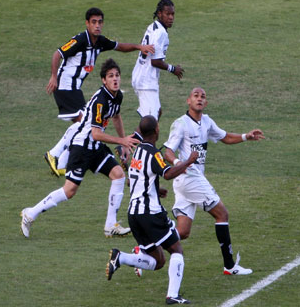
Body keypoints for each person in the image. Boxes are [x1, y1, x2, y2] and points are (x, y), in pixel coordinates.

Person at [21, 59, 140, 238]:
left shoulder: (117, 96)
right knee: (69, 191)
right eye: (110, 76)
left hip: (95, 147)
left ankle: (110, 225)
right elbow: (96, 133)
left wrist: (122, 144)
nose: (115, 79)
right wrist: (122, 141)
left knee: (118, 175)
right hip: (82, 147)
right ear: (103, 80)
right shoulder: (101, 100)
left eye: (117, 75)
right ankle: (30, 214)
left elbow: (116, 117)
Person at [162, 87, 265, 275]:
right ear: (188, 101)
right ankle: (230, 266)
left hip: (188, 181)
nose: (199, 99)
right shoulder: (181, 124)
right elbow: (167, 151)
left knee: (183, 232)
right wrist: (181, 163)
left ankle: (146, 248)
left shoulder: (207, 122)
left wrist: (246, 136)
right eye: (196, 96)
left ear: (206, 103)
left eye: (203, 97)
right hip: (190, 178)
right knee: (222, 214)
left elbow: (224, 137)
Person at [44, 7, 154, 176]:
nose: (97, 25)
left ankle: (61, 163)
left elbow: (119, 46)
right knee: (84, 124)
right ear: (87, 24)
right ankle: (54, 154)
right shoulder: (80, 40)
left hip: (75, 89)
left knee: (82, 126)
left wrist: (139, 47)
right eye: (93, 22)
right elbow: (57, 54)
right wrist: (53, 77)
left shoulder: (100, 42)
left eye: (100, 22)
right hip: (65, 86)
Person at [106, 115, 198, 305]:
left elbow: (136, 179)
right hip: (150, 213)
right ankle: (173, 295)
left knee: (158, 261)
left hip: (133, 214)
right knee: (176, 249)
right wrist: (188, 161)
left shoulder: (137, 152)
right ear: (156, 130)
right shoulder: (154, 153)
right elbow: (168, 173)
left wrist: (156, 189)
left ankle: (121, 257)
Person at [131, 0, 184, 120]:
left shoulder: (152, 26)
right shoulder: (161, 33)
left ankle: (144, 137)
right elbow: (155, 61)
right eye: (168, 14)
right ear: (159, 14)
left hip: (140, 75)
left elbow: (142, 44)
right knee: (150, 122)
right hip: (146, 81)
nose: (171, 17)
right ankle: (134, 139)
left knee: (157, 112)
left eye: (173, 14)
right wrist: (173, 69)